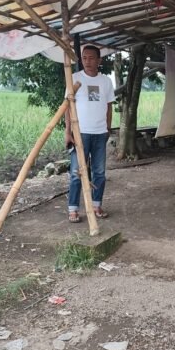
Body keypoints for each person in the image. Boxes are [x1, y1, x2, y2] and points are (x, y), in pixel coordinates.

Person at [65, 45, 115, 223]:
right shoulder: (74, 78)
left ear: (99, 60)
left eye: (92, 58)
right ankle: (73, 209)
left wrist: (108, 127)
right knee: (76, 172)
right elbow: (67, 107)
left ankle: (96, 205)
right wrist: (67, 132)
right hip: (80, 133)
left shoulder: (106, 81)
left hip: (100, 133)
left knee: (99, 172)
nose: (87, 61)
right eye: (84, 58)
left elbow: (109, 106)